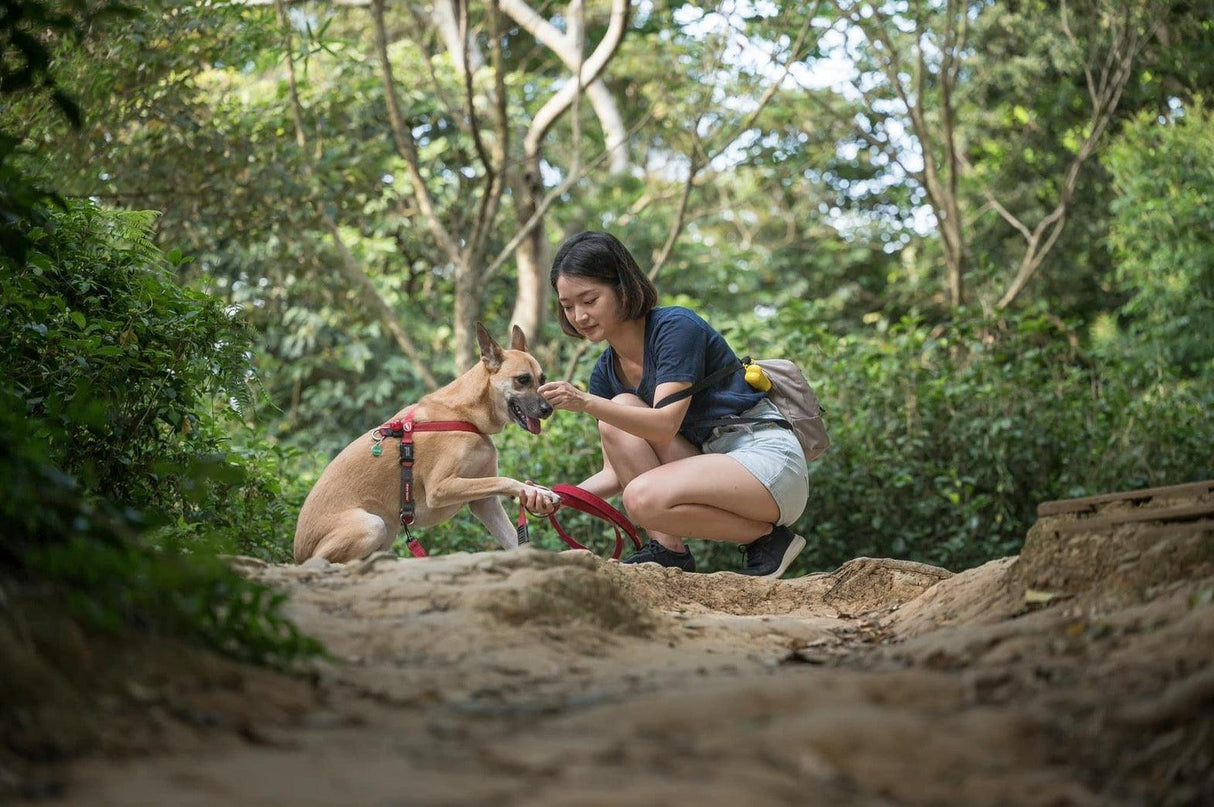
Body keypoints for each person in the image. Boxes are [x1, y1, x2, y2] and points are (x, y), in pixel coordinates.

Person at [525, 231, 809, 578]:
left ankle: (768, 539)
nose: (579, 316)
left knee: (642, 497)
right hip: (710, 463)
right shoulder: (606, 370)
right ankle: (668, 551)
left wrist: (584, 401)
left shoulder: (675, 328)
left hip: (764, 459)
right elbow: (617, 471)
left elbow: (664, 424)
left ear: (622, 288)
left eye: (589, 300)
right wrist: (556, 497)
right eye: (568, 306)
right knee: (619, 417)